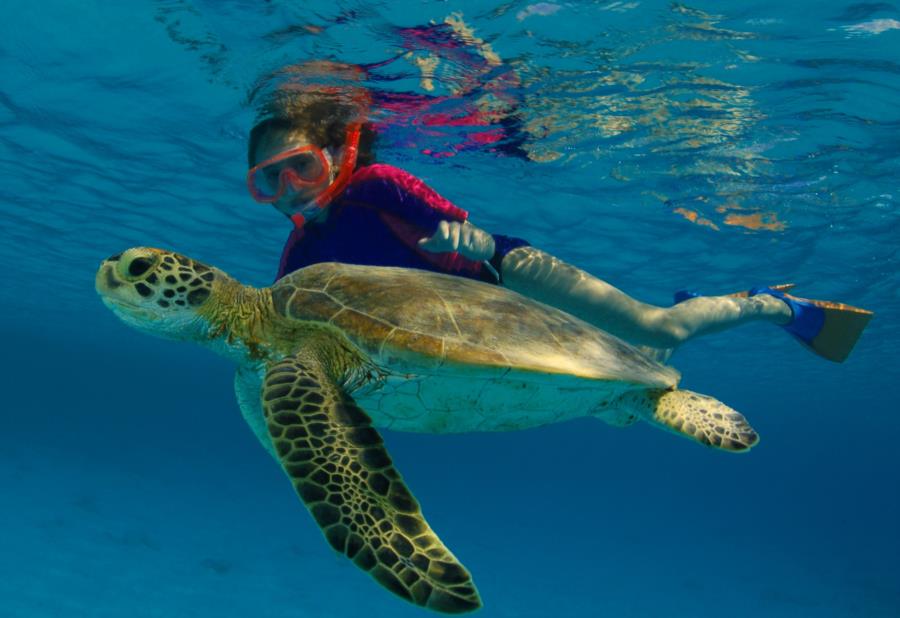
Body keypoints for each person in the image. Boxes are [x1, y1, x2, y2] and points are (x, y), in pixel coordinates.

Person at [246, 63, 872, 363]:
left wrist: (467, 239)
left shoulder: (378, 182)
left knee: (657, 332)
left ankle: (772, 304)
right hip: (472, 324)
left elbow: (464, 229)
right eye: (268, 181)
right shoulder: (300, 257)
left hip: (505, 274)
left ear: (337, 151)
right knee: (633, 364)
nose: (291, 187)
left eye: (300, 164)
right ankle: (706, 301)